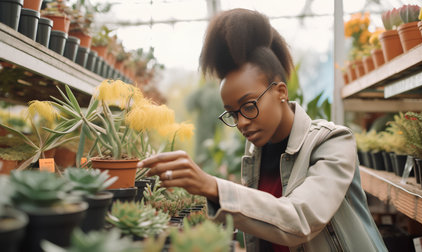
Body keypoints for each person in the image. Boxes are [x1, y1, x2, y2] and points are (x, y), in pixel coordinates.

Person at [137, 8, 387, 252]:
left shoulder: (333, 142)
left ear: (280, 92)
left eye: (248, 106)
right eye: (233, 113)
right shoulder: (256, 151)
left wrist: (212, 185)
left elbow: (300, 220)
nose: (242, 122)